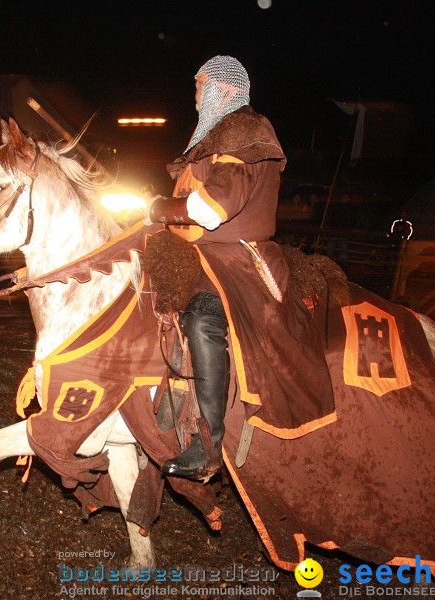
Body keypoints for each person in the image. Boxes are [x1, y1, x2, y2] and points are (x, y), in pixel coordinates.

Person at [149, 56, 334, 479]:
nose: (195, 98)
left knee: (202, 319)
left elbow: (212, 209)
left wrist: (159, 207)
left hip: (237, 259)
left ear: (227, 90)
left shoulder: (244, 131)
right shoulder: (217, 136)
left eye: (201, 88)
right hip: (201, 254)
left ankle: (209, 444)